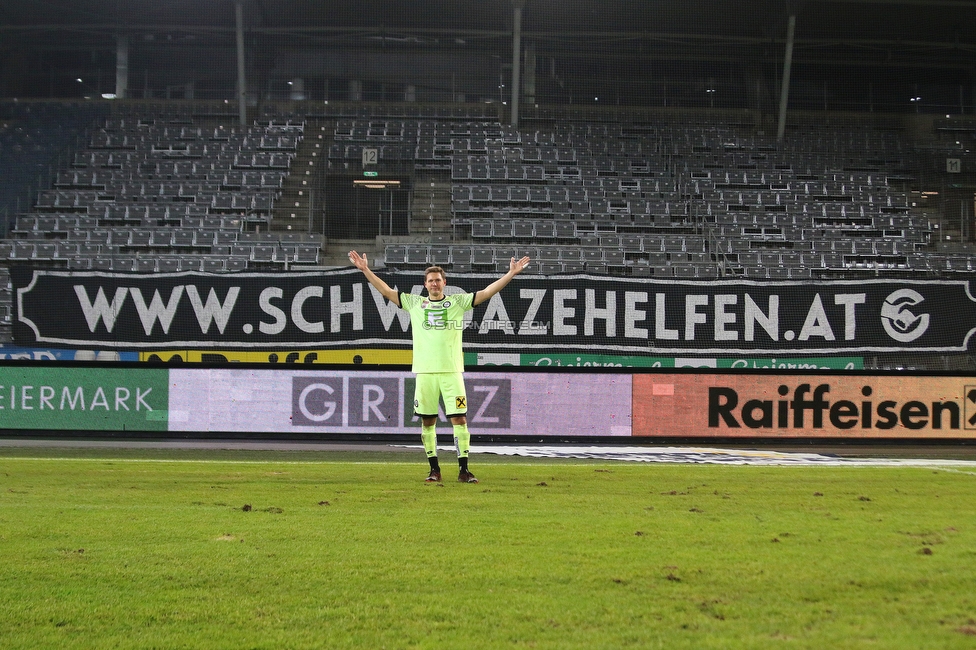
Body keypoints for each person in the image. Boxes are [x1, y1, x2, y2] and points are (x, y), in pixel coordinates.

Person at [349, 251, 530, 483]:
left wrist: (510, 274)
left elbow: (486, 293)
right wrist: (366, 270)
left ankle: (464, 470)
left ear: (445, 283)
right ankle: (434, 470)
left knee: (460, 420)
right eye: (430, 280)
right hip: (425, 372)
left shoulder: (457, 302)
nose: (434, 283)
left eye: (438, 280)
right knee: (428, 422)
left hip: (452, 371)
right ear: (425, 285)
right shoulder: (415, 302)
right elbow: (386, 291)